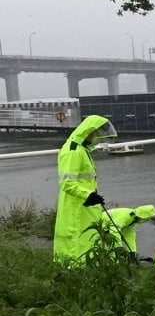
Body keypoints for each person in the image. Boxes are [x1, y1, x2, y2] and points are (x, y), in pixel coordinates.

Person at [53, 114, 118, 266]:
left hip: (85, 205)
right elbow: (67, 183)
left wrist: (91, 196)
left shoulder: (82, 150)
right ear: (88, 131)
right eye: (97, 133)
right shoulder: (73, 151)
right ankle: (75, 272)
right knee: (76, 240)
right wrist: (88, 195)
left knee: (87, 239)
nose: (99, 137)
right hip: (77, 206)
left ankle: (86, 270)